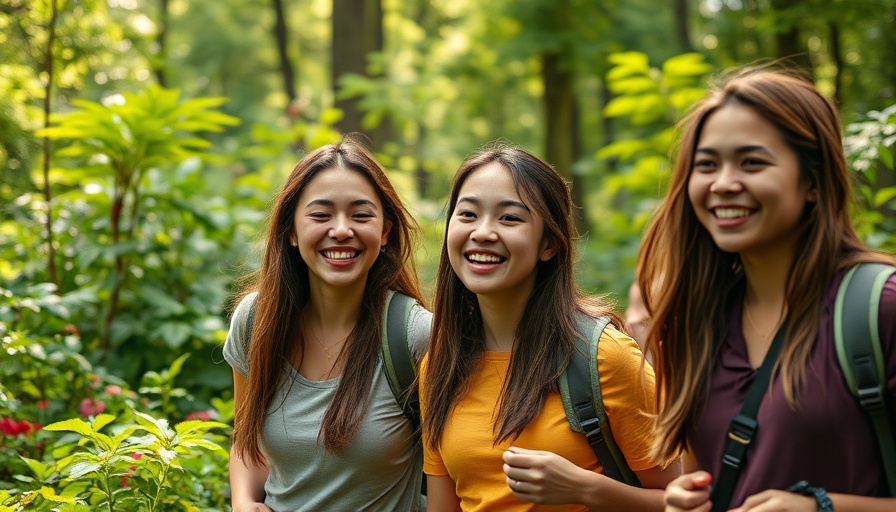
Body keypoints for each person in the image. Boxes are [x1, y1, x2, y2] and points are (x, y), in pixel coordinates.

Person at [635, 67, 896, 512]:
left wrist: (821, 507)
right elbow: (703, 475)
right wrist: (682, 499)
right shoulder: (695, 320)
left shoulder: (878, 309)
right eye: (707, 165)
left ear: (813, 183)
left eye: (752, 162)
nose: (723, 184)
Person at [421, 145, 680, 511]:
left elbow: (686, 503)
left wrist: (585, 489)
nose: (482, 232)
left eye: (509, 219)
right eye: (467, 214)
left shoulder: (605, 357)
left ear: (549, 244)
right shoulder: (440, 366)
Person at [223, 138, 431, 511]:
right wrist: (243, 501)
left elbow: (453, 469)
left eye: (360, 215)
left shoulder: (415, 336)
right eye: (320, 215)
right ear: (291, 231)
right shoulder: (256, 322)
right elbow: (246, 442)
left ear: (385, 232)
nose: (341, 230)